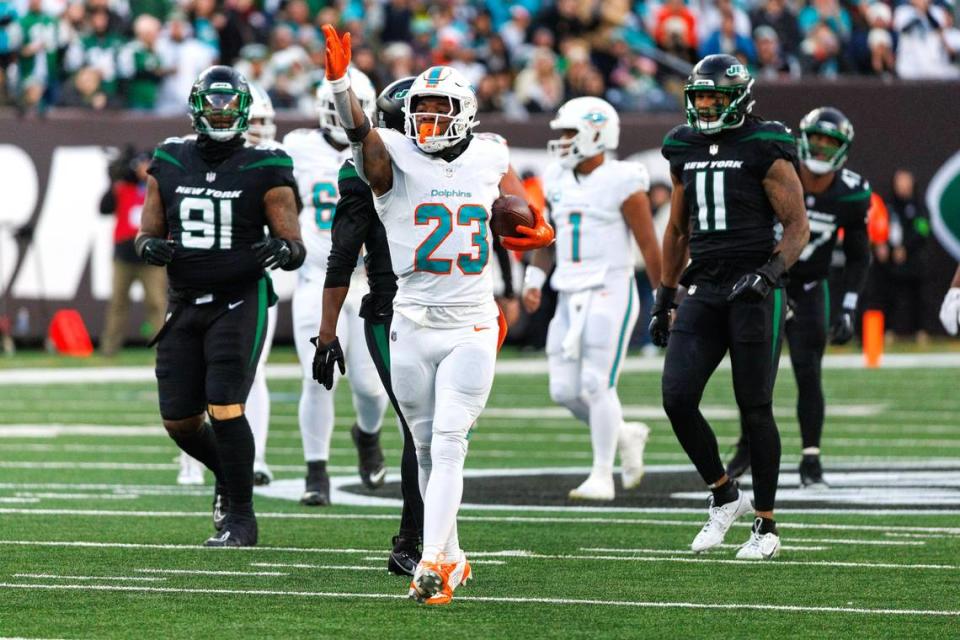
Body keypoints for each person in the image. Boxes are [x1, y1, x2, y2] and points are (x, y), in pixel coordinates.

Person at [322, 24, 554, 604]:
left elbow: (521, 205)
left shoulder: (491, 152)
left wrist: (531, 222)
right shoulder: (393, 154)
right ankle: (450, 555)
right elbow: (360, 132)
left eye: (439, 108)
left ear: (466, 112)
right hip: (410, 320)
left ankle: (430, 564)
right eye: (420, 108)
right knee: (425, 448)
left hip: (472, 322)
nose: (427, 118)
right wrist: (339, 84)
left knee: (449, 442)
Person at [137, 65, 304, 547]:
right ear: (196, 107)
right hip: (184, 303)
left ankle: (242, 518)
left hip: (239, 299)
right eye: (213, 103)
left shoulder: (265, 164)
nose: (221, 111)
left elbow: (294, 243)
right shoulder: (169, 158)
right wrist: (149, 247)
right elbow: (146, 232)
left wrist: (284, 252)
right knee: (180, 421)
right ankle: (228, 479)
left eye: (230, 104)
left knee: (227, 405)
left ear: (244, 108)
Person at [651, 54, 809, 561]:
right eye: (699, 97)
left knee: (755, 404)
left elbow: (797, 227)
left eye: (715, 97)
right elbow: (677, 230)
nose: (706, 106)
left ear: (739, 97)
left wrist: (768, 275)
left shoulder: (766, 144)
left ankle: (765, 524)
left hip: (754, 286)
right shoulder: (683, 146)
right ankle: (724, 494)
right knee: (676, 395)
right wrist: (663, 296)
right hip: (705, 285)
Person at [521, 96, 662, 501]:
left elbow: (648, 244)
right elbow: (547, 236)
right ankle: (622, 433)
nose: (563, 141)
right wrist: (534, 275)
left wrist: (662, 297)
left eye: (570, 133)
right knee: (564, 390)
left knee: (596, 383)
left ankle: (603, 474)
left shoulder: (623, 178)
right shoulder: (556, 177)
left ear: (596, 134)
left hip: (609, 288)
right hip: (568, 289)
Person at [312, 75, 423, 576]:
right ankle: (415, 538)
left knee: (446, 432)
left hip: (456, 311)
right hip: (393, 309)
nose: (432, 126)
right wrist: (328, 332)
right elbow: (342, 255)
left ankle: (433, 535)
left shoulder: (465, 162)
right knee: (418, 428)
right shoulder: (366, 170)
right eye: (424, 115)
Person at [725, 107, 870, 489]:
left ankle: (811, 458)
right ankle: (746, 447)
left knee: (808, 372)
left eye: (831, 142)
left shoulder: (852, 193)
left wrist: (849, 307)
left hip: (808, 288)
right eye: (817, 139)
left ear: (844, 149)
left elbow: (858, 256)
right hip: (767, 284)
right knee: (753, 372)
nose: (821, 147)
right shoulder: (778, 172)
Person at [283, 67, 390, 506]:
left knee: (370, 385)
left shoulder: (382, 150)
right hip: (317, 277)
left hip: (366, 281)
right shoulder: (297, 147)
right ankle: (316, 471)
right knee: (317, 377)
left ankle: (367, 435)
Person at [175, 82, 281, 487]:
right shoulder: (192, 154)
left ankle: (255, 458)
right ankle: (192, 458)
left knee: (253, 371)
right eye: (252, 121)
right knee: (193, 373)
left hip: (247, 282)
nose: (257, 129)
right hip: (196, 279)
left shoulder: (272, 162)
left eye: (262, 122)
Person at [99, 149, 167, 357]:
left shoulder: (158, 188)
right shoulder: (123, 187)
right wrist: (112, 181)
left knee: (156, 302)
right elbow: (104, 208)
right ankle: (109, 349)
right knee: (118, 303)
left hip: (150, 255)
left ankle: (162, 348)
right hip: (124, 255)